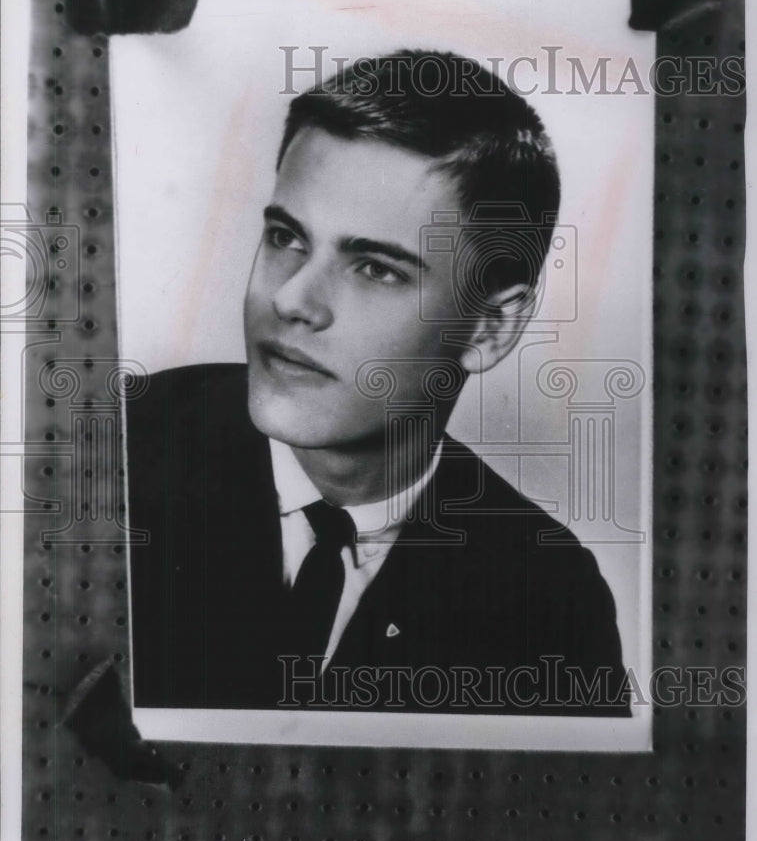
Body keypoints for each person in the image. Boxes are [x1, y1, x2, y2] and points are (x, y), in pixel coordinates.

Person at [127, 50, 629, 715]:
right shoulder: (114, 455)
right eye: (286, 237)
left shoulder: (547, 598)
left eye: (375, 269)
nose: (292, 300)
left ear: (488, 329)